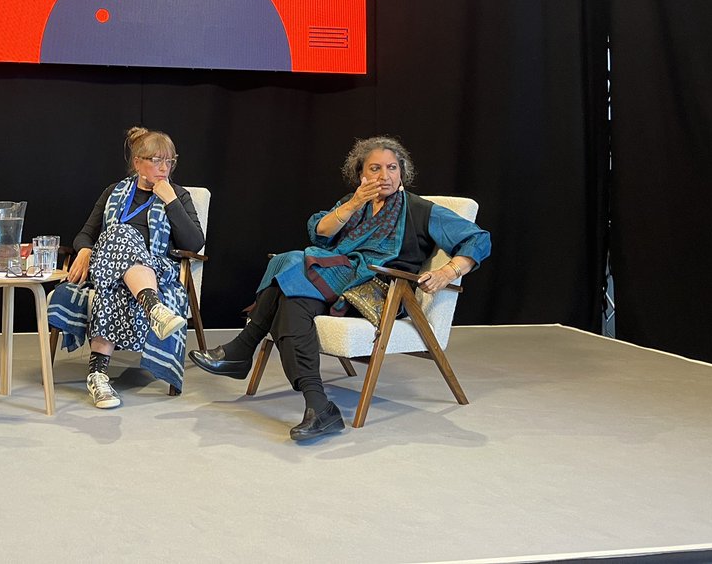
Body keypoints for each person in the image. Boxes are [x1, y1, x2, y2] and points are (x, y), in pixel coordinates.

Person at [190, 135, 490, 442]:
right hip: (334, 282)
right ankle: (319, 406)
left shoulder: (421, 210)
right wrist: (354, 203)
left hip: (376, 289)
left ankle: (244, 346)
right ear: (361, 173)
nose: (384, 175)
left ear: (402, 172)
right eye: (375, 168)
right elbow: (319, 231)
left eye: (391, 168)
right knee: (292, 300)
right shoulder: (354, 202)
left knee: (292, 260)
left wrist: (449, 271)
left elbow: (478, 239)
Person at [48, 127, 205, 408]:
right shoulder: (114, 192)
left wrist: (170, 201)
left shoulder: (178, 195)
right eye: (157, 160)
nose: (164, 167)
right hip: (108, 265)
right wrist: (84, 250)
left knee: (114, 279)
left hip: (155, 270)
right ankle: (154, 309)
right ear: (137, 163)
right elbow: (86, 233)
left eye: (170, 161)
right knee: (119, 234)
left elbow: (194, 242)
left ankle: (97, 375)